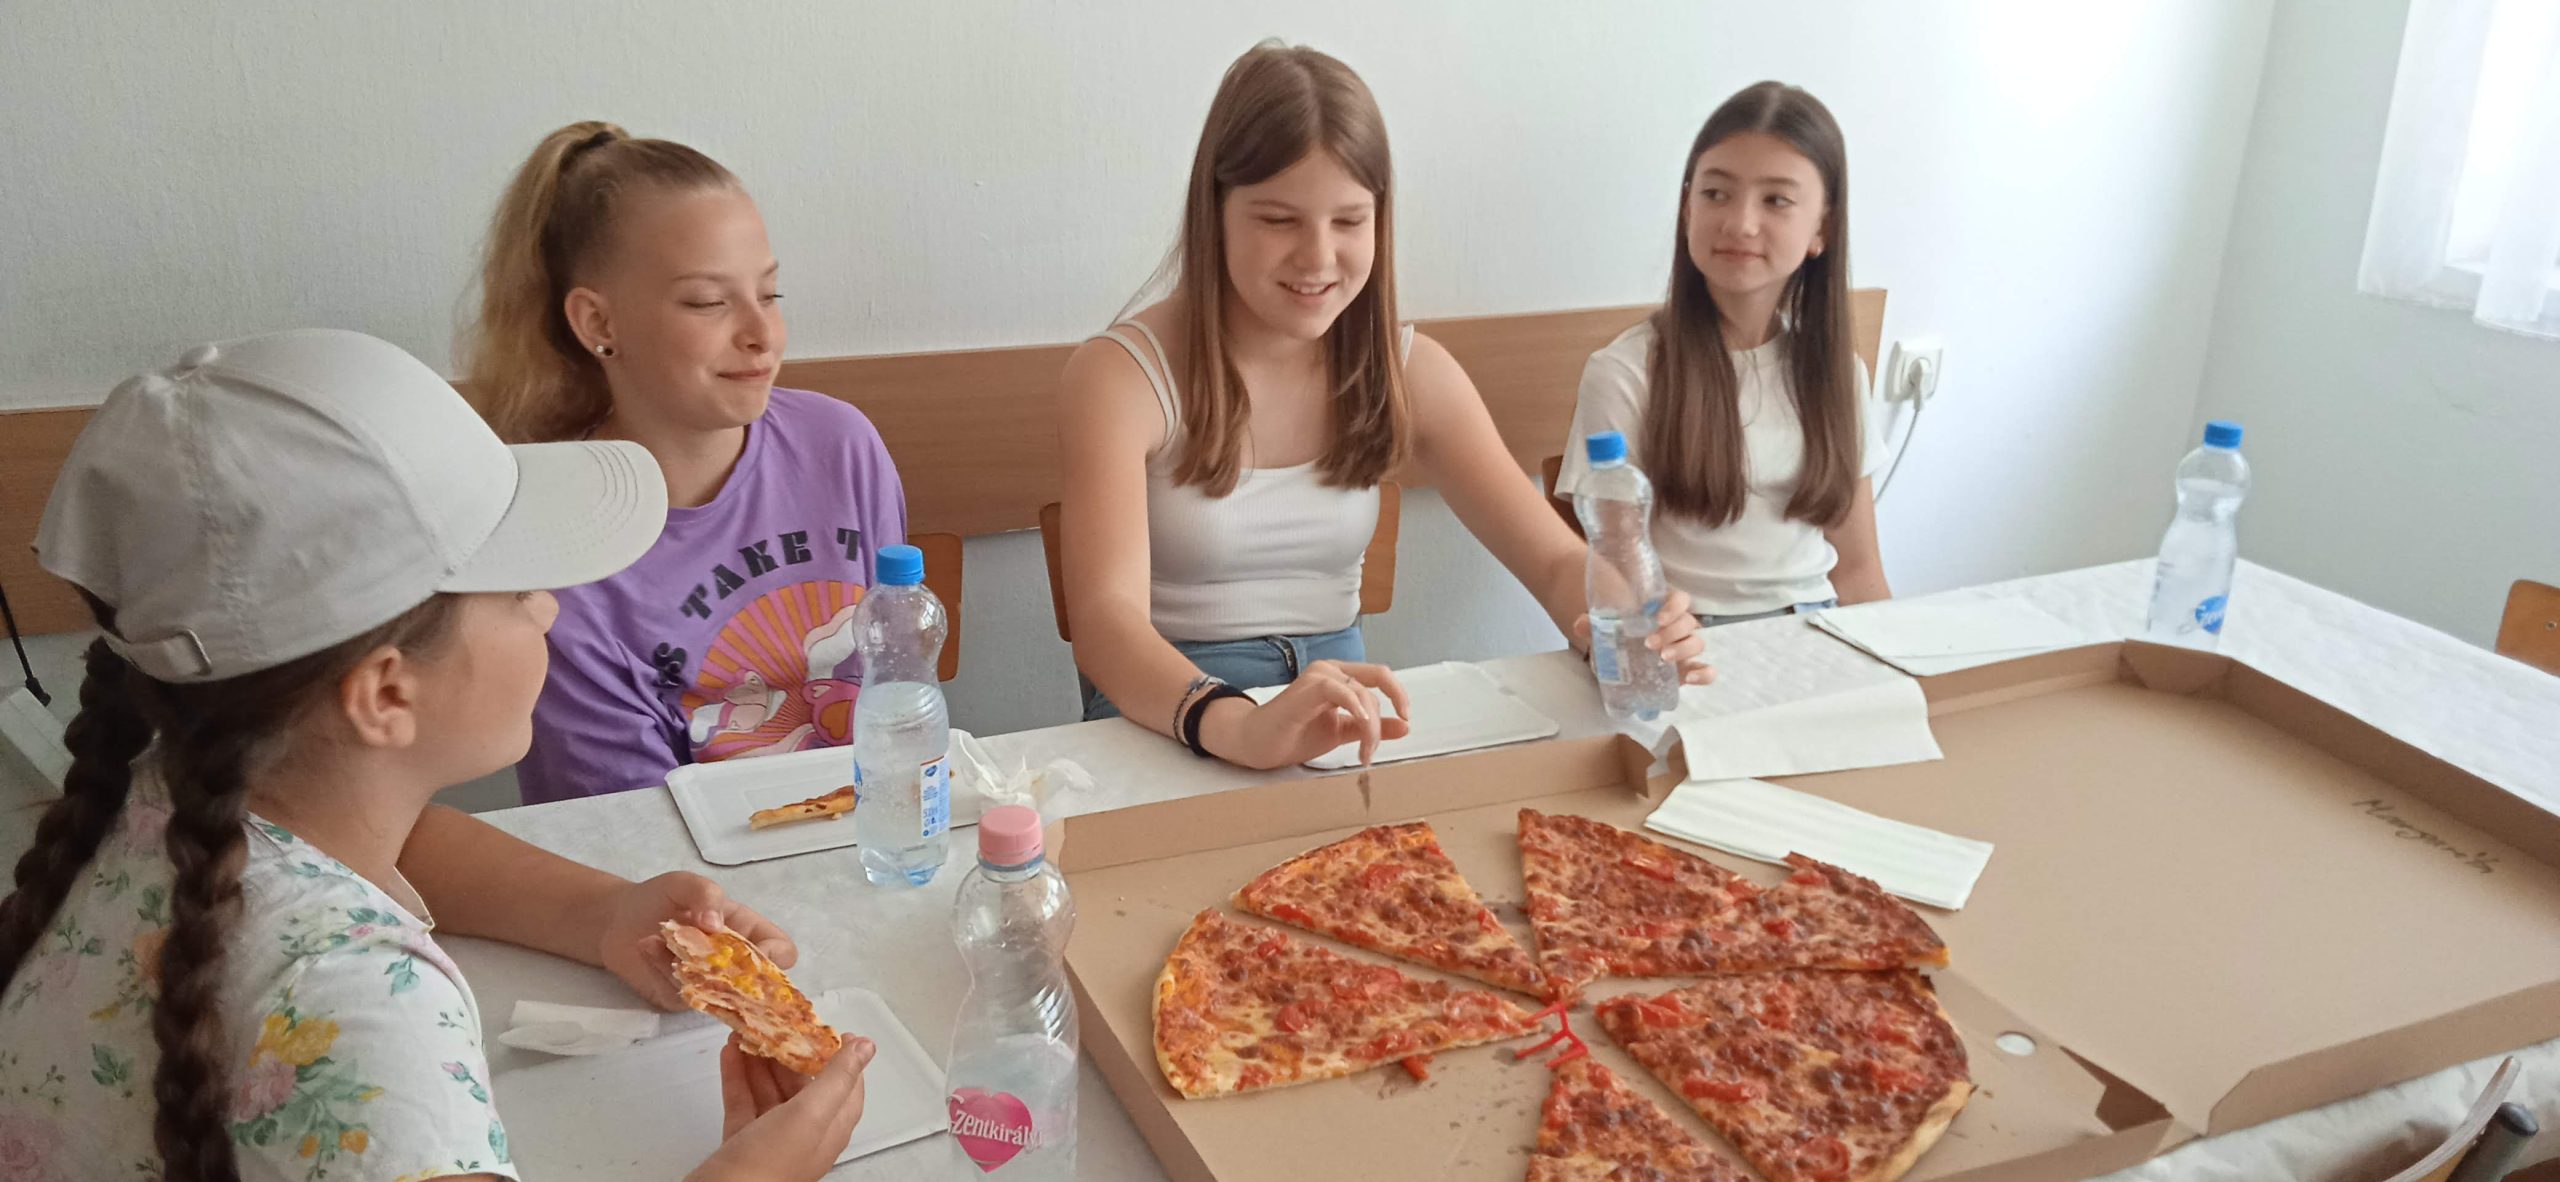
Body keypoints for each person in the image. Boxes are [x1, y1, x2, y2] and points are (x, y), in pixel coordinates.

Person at [0, 329, 872, 1181]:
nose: (550, 611)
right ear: (386, 694)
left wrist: (606, 915)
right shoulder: (361, 1006)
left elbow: (401, 846)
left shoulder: (165, 794)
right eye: (520, 591)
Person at [1057, 42, 1710, 769]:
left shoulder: (1408, 369)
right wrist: (1239, 725)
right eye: (1278, 220)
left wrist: (1629, 627)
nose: (1317, 257)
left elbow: (1555, 560)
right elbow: (1106, 623)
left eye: (1348, 221)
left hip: (1335, 710)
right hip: (1172, 715)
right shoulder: (1120, 376)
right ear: (1215, 213)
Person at [462, 121, 907, 803]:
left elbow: (898, 697)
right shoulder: (558, 549)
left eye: (770, 294)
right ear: (599, 324)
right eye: (709, 302)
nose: (761, 334)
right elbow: (630, 829)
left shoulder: (840, 446)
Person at [1558, 82, 1891, 626]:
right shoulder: (1625, 373)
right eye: (1716, 193)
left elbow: (1858, 571)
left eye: (1776, 200)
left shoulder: (1839, 375)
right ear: (1687, 207)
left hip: (1821, 628)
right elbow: (1614, 579)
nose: (1740, 223)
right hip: (1689, 635)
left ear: (1822, 228)